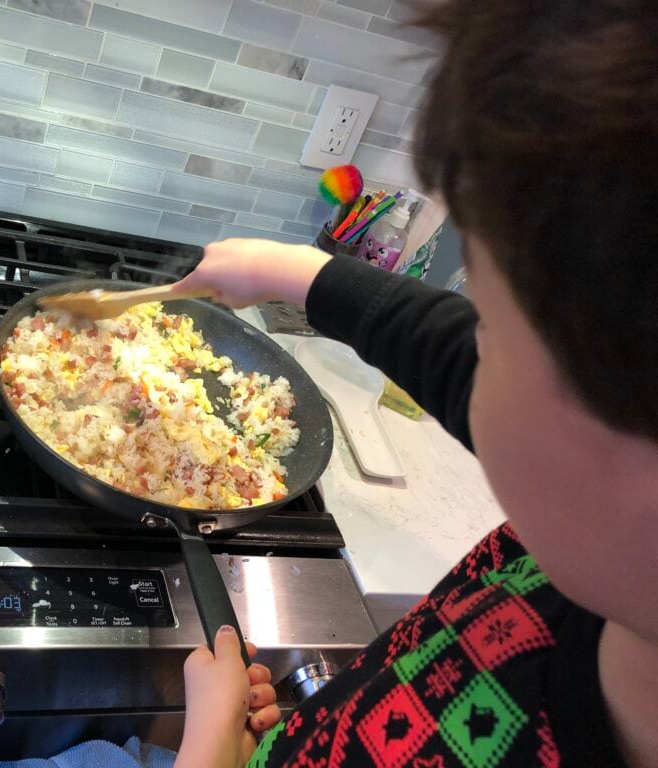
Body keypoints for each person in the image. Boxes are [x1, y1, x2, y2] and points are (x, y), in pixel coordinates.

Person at [167, 1, 658, 766]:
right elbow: (477, 375)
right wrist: (296, 273)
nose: (471, 347)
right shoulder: (606, 544)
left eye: (488, 326)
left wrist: (204, 755)